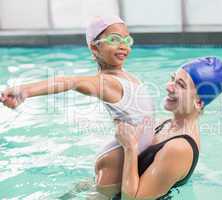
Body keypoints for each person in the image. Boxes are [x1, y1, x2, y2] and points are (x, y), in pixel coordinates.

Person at [0, 16, 155, 170]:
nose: (123, 46)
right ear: (95, 47)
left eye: (127, 40)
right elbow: (71, 82)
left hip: (128, 155)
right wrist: (25, 90)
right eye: (114, 39)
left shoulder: (126, 76)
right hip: (116, 161)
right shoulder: (106, 82)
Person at [95, 56, 222, 199]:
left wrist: (130, 148)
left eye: (181, 85)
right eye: (172, 79)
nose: (168, 86)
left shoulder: (179, 148)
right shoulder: (163, 123)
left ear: (199, 102)